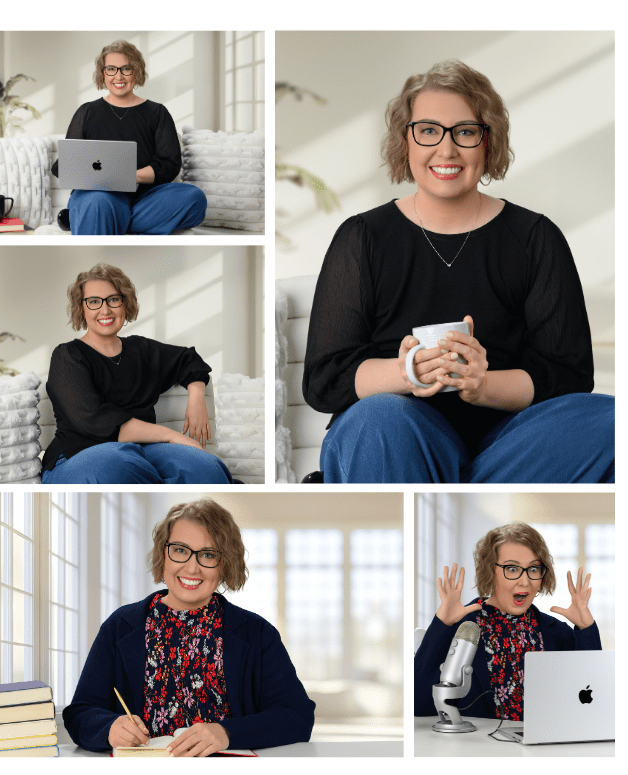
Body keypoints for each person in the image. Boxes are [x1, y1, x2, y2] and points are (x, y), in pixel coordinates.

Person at [303, 59, 614, 483]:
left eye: (465, 131)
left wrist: (482, 385)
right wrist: (407, 372)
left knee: (611, 420)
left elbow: (568, 377)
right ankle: (456, 501)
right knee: (379, 421)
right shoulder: (362, 237)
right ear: (405, 141)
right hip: (394, 430)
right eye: (428, 130)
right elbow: (325, 379)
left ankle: (449, 495)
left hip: (510, 442)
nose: (446, 150)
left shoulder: (536, 237)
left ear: (489, 142)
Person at [63, 499, 315, 754]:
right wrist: (109, 728)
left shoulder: (258, 633)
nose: (192, 567)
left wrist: (228, 733)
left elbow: (297, 716)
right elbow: (80, 713)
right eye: (181, 550)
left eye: (208, 555)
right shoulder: (119, 627)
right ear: (164, 553)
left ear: (224, 564)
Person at [42, 263, 233, 484]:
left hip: (143, 451)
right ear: (82, 309)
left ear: (125, 304)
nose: (105, 310)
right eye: (94, 302)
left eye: (113, 299)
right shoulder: (67, 356)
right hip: (79, 455)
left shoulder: (141, 350)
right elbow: (95, 422)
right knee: (117, 463)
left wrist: (197, 397)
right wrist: (171, 435)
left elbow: (188, 359)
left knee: (205, 467)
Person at [414, 522, 601, 720]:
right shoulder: (462, 629)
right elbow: (419, 705)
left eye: (534, 569)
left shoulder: (558, 633)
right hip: (480, 748)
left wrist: (586, 629)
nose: (525, 581)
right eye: (512, 569)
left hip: (544, 748)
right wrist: (442, 623)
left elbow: (593, 703)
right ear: (490, 571)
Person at [50, 40, 207, 235]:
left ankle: (96, 219)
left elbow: (169, 164)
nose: (119, 76)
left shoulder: (157, 113)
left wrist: (131, 176)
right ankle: (99, 214)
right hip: (98, 196)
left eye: (126, 69)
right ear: (102, 74)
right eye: (111, 69)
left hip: (146, 200)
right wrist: (99, 179)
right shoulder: (87, 112)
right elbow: (62, 166)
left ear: (137, 72)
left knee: (194, 197)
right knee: (99, 202)